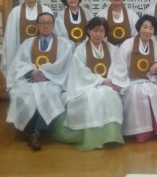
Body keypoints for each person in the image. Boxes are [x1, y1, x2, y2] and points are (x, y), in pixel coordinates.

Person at [51, 16, 124, 151]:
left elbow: (117, 68)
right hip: (85, 86)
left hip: (108, 85)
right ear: (88, 31)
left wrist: (110, 80)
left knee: (109, 95)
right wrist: (101, 80)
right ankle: (94, 138)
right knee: (92, 97)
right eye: (95, 30)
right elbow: (79, 72)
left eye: (101, 31)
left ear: (105, 33)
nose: (98, 34)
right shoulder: (80, 49)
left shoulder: (112, 49)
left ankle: (109, 136)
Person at [6, 12, 74, 151]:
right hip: (30, 79)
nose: (46, 25)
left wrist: (44, 74)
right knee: (19, 93)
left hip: (52, 80)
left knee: (49, 94)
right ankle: (30, 130)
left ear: (54, 25)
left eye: (49, 22)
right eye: (42, 22)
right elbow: (19, 63)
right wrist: (32, 73)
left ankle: (34, 132)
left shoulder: (64, 44)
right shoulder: (28, 43)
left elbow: (63, 64)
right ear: (37, 25)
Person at [110, 15, 157, 142]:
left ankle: (156, 129)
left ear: (154, 31)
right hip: (131, 81)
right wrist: (121, 82)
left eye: (151, 28)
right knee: (137, 94)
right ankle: (140, 132)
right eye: (144, 27)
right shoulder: (127, 44)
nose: (147, 31)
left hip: (149, 79)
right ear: (138, 28)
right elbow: (120, 64)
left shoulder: (156, 44)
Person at [0, 0, 54, 78]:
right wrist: (10, 53)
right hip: (20, 50)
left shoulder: (46, 10)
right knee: (22, 77)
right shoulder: (15, 12)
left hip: (42, 50)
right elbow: (10, 35)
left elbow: (52, 31)